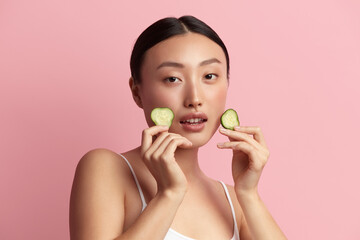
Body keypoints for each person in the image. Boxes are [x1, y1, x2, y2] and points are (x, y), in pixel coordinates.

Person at [69, 15, 287, 240]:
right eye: (172, 79)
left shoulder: (233, 201)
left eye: (209, 76)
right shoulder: (106, 168)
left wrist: (249, 194)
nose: (194, 98)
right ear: (137, 92)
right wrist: (169, 195)